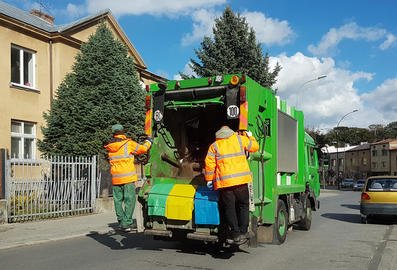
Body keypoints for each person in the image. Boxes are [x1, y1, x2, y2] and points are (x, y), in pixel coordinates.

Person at [204, 125, 259, 245]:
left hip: (225, 184)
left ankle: (235, 234)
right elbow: (255, 147)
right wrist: (251, 137)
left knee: (230, 209)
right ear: (231, 132)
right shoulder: (240, 139)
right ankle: (244, 231)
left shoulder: (214, 146)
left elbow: (209, 164)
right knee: (243, 205)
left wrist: (209, 179)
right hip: (241, 182)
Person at [104, 124, 152, 232]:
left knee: (117, 201)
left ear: (113, 133)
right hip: (128, 178)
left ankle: (121, 221)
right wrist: (149, 141)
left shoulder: (110, 147)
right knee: (129, 200)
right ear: (123, 132)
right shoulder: (128, 144)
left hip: (116, 178)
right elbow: (143, 149)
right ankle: (128, 222)